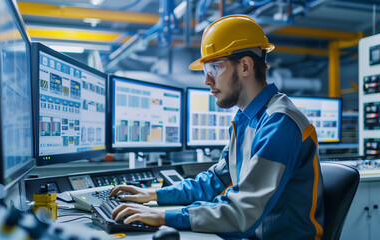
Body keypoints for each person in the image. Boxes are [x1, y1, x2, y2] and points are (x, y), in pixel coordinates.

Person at [109, 14, 324, 240]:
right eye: (206, 70)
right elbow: (214, 181)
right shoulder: (245, 119)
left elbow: (243, 212)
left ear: (245, 66)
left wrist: (165, 217)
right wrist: (154, 195)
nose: (207, 81)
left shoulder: (280, 123)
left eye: (214, 68)